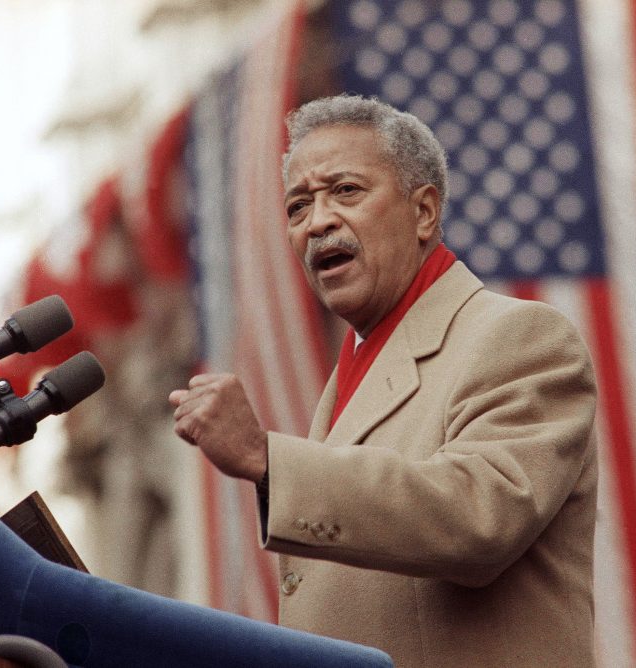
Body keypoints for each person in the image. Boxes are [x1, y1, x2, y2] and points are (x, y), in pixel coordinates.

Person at [169, 95, 598, 667]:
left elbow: (481, 517)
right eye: (298, 206)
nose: (317, 222)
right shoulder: (358, 367)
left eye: (345, 191)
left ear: (424, 212)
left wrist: (268, 460)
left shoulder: (520, 337)